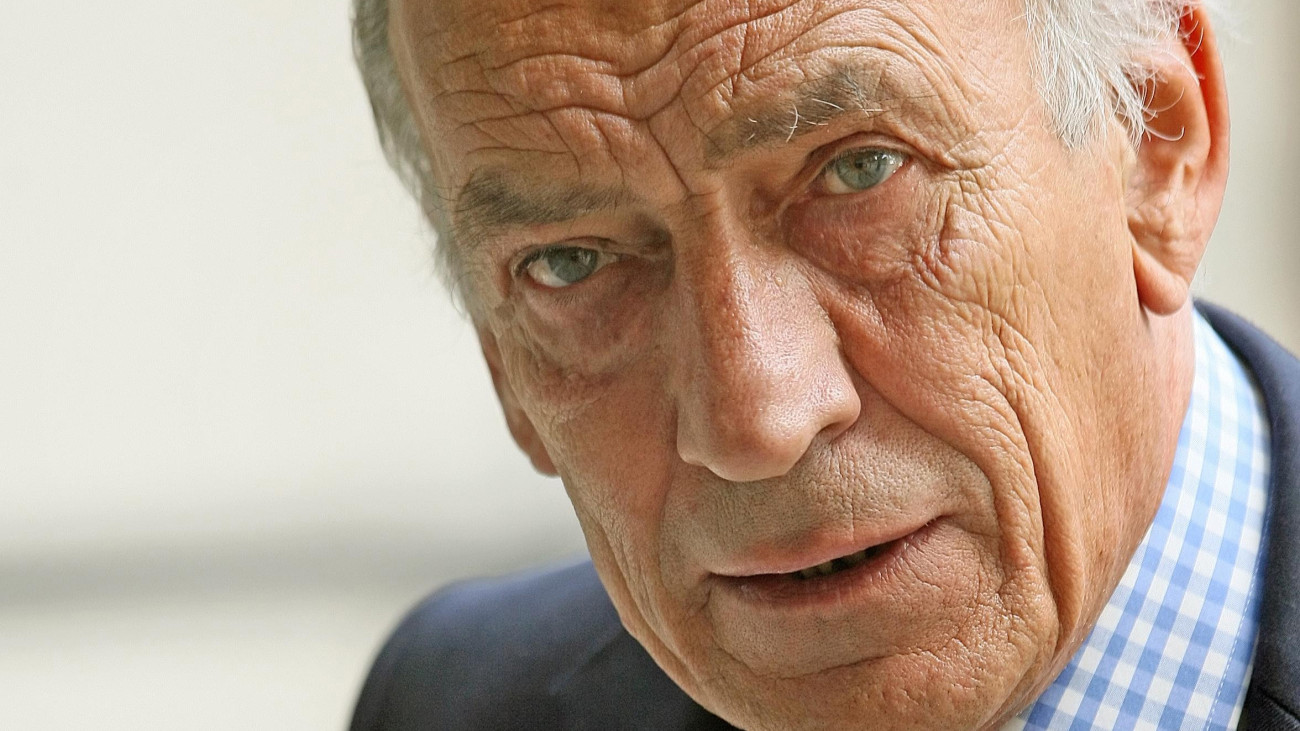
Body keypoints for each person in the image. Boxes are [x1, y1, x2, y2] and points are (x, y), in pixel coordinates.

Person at [346, 0, 1300, 728]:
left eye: (859, 170)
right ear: (500, 361)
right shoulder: (455, 700)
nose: (756, 418)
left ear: (1156, 153)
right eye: (571, 261)